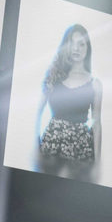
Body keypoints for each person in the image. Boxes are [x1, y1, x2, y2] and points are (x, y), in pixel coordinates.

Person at [35, 24, 102, 181]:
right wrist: (36, 147)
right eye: (72, 43)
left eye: (81, 44)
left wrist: (97, 163)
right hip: (52, 144)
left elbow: (97, 123)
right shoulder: (53, 76)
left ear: (88, 48)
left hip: (81, 147)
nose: (76, 48)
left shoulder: (95, 84)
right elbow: (37, 113)